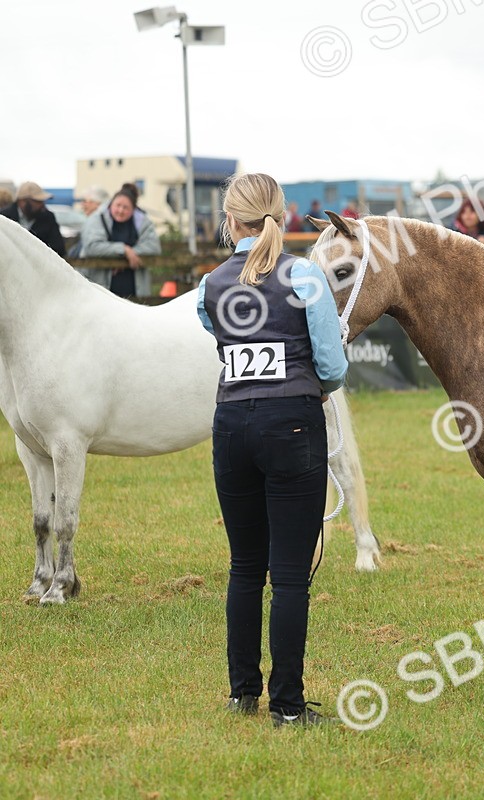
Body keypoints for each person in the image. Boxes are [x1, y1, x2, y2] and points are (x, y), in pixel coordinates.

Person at [196, 172, 348, 727]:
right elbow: (331, 367)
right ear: (280, 217)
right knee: (288, 574)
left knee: (243, 566)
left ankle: (242, 694)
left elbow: (217, 335)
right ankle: (286, 704)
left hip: (231, 423)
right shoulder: (304, 276)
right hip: (293, 426)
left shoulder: (210, 284)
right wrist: (310, 384)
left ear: (229, 221)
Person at [79, 185, 161, 297]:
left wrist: (130, 255)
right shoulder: (97, 219)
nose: (120, 211)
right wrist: (123, 250)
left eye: (126, 207)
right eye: (118, 205)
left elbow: (153, 247)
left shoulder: (143, 222)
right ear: (111, 204)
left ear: (133, 210)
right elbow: (92, 247)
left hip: (135, 289)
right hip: (101, 290)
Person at [1, 181, 65, 256]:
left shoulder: (48, 217)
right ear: (23, 201)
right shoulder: (4, 218)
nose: (42, 204)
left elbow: (59, 249)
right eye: (37, 201)